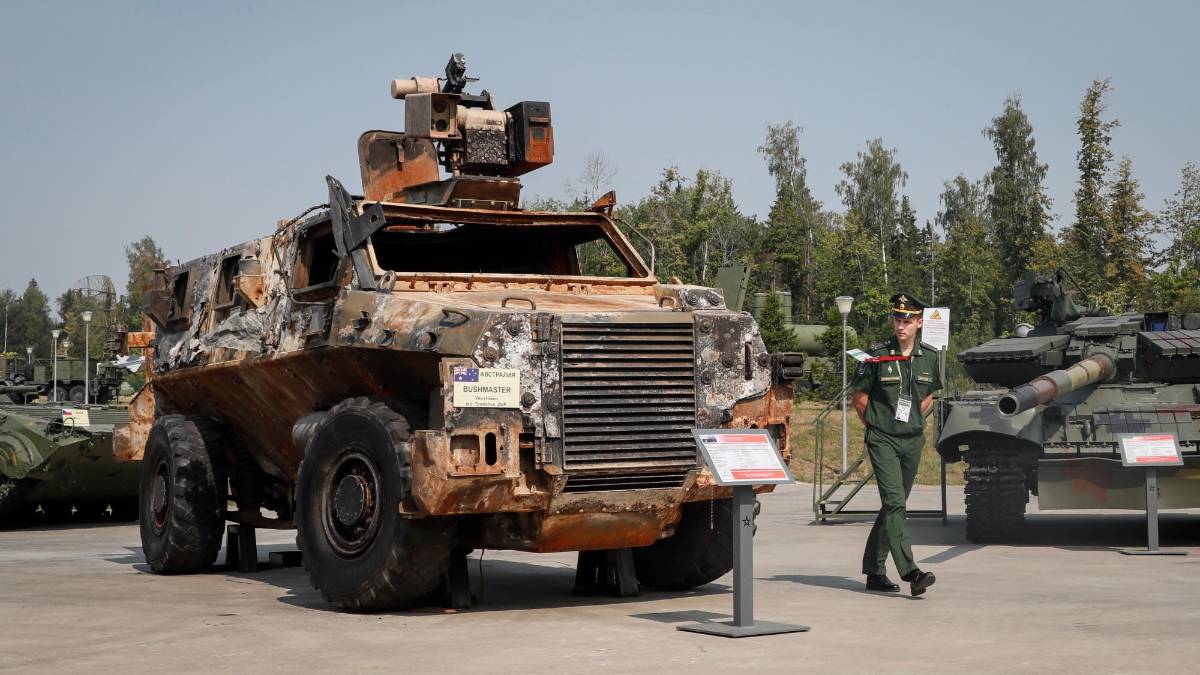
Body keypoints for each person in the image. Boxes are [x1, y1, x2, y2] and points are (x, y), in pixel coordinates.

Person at [850, 293, 942, 596]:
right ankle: (911, 572)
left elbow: (927, 397)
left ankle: (874, 571)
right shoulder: (875, 355)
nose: (901, 326)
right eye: (897, 320)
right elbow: (859, 398)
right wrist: (877, 428)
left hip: (912, 439)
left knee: (894, 505)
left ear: (919, 323)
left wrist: (912, 419)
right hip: (883, 439)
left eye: (907, 321)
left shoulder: (929, 356)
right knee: (895, 503)